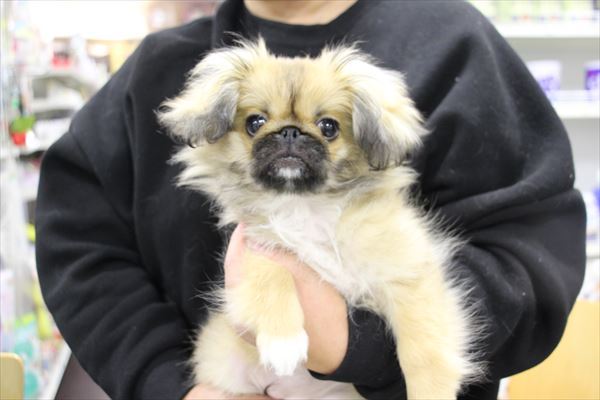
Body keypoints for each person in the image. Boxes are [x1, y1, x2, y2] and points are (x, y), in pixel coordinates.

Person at [35, 1, 587, 399]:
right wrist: (168, 383)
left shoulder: (454, 41)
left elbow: (531, 263)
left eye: (325, 127)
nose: (289, 139)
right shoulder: (159, 66)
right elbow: (78, 239)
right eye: (257, 123)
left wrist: (354, 344)